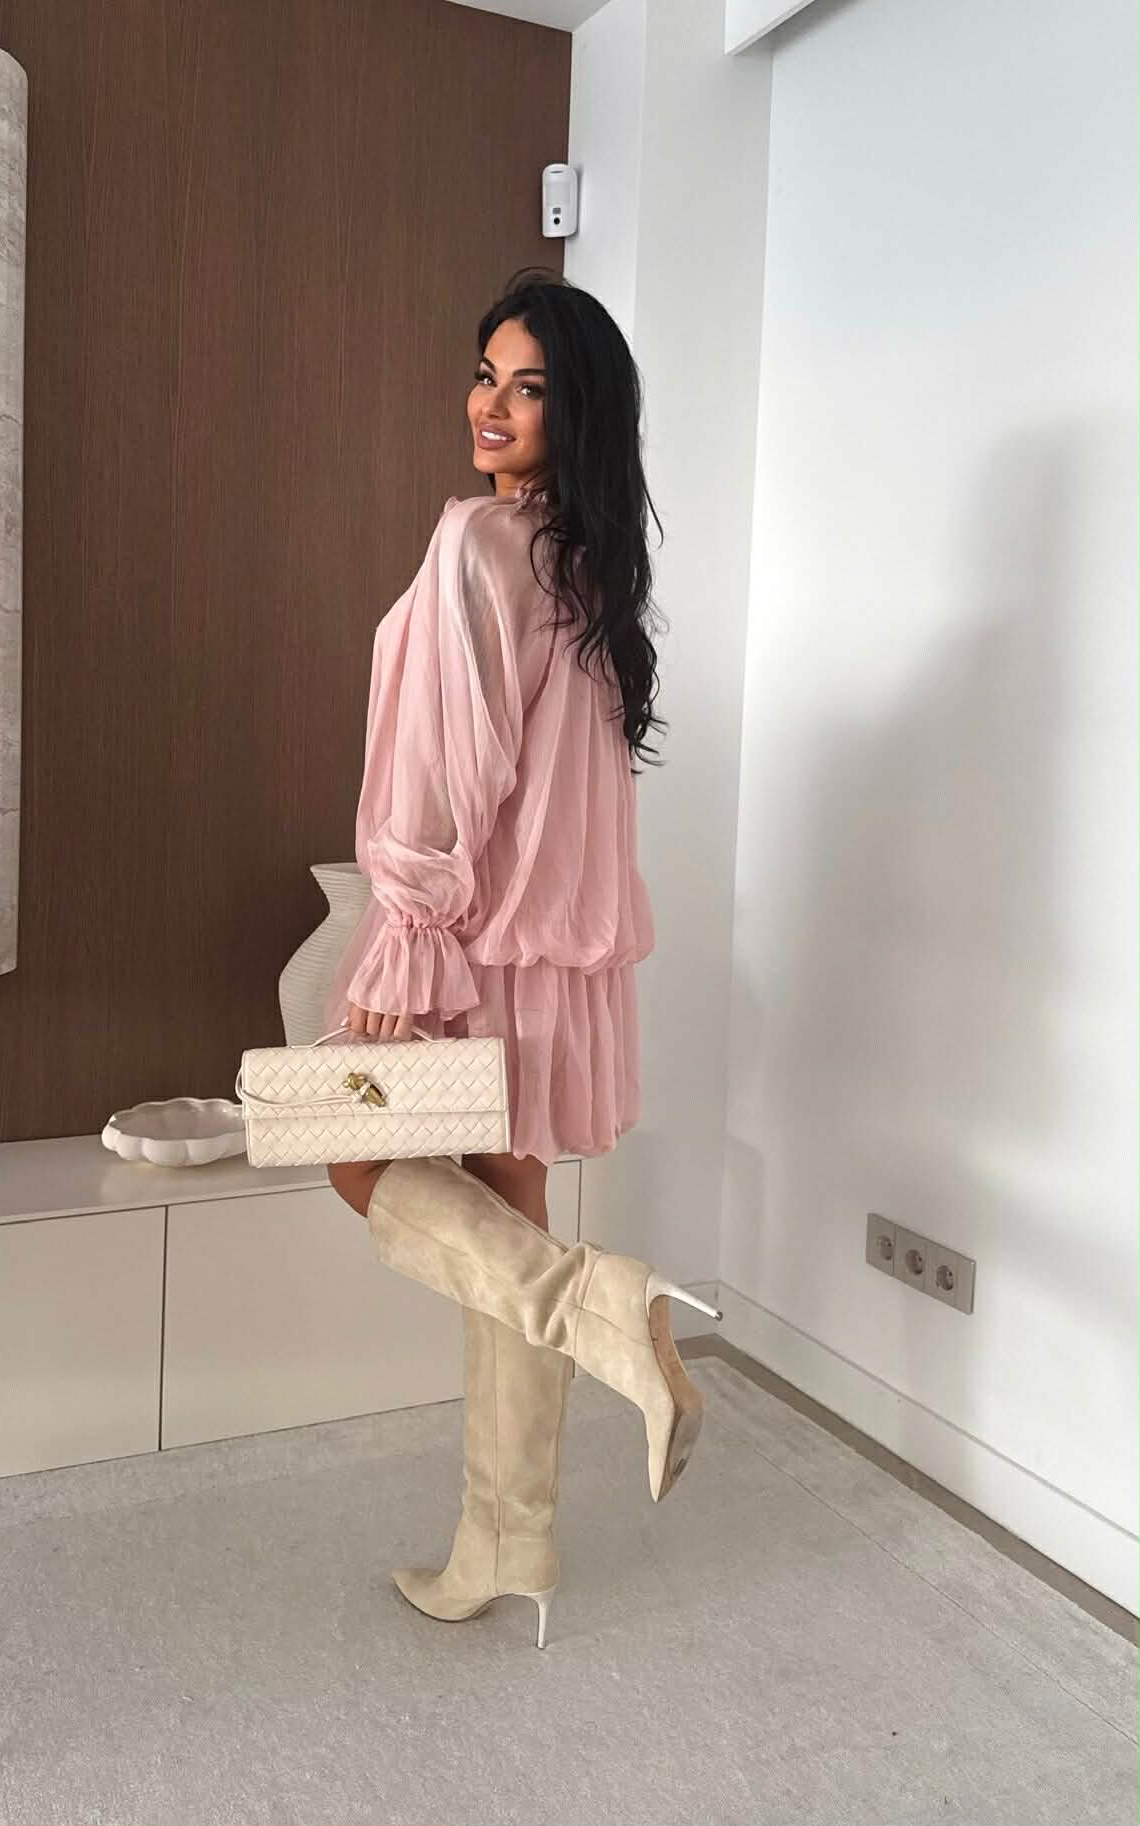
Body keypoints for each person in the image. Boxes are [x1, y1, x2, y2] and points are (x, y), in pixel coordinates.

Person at [323, 269, 720, 1649]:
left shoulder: (480, 546)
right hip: (558, 962)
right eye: (485, 374)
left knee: (355, 1158)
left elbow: (449, 767)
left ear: (577, 411)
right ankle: (510, 1536)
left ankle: (600, 1308)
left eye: (529, 385)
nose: (490, 404)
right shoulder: (590, 569)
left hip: (472, 943)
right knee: (509, 1211)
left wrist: (404, 931)